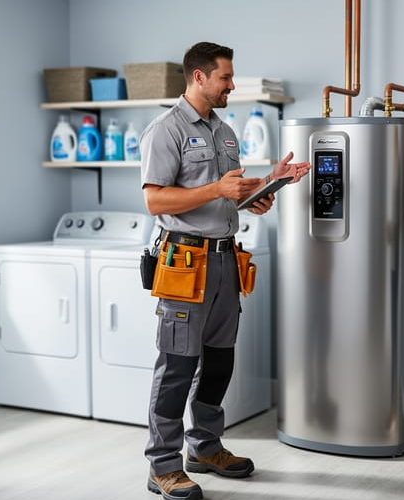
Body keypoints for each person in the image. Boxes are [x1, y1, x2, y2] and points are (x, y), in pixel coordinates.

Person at [140, 41, 310, 500]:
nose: (231, 85)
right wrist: (218, 187)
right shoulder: (166, 130)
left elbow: (227, 196)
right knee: (176, 368)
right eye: (225, 78)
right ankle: (162, 465)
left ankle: (205, 447)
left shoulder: (225, 132)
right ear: (199, 77)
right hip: (183, 263)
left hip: (224, 260)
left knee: (218, 363)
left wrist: (265, 185)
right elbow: (155, 199)